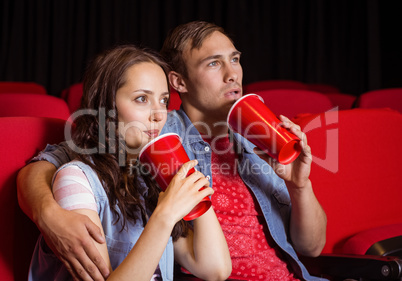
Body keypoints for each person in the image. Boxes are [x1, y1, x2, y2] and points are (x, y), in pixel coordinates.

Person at [18, 21, 327, 280]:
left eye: (235, 59)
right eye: (214, 63)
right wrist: (47, 212)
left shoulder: (254, 141)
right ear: (180, 81)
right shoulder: (157, 140)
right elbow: (60, 160)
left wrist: (298, 184)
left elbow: (310, 248)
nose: (233, 74)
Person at [26, 44, 231, 281]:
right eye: (142, 99)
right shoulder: (74, 179)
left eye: (164, 100)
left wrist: (191, 184)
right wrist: (164, 216)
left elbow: (216, 269)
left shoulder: (149, 178)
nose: (158, 114)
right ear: (108, 108)